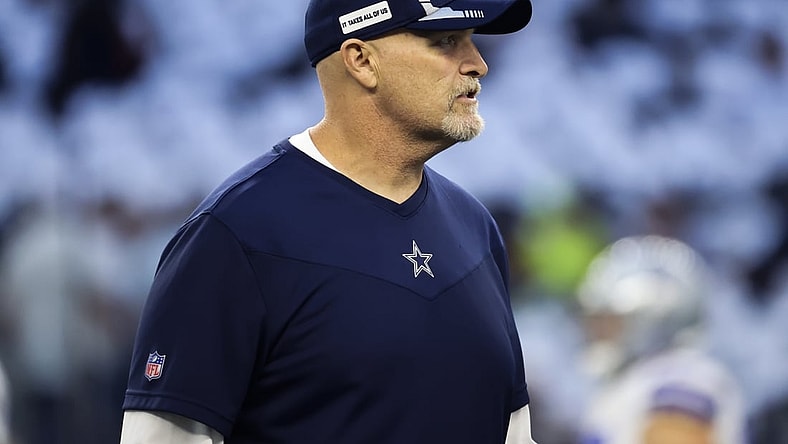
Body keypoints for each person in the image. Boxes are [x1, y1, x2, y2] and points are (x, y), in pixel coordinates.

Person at [120, 0, 537, 442]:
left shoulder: (475, 228)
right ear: (361, 60)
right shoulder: (236, 234)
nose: (478, 64)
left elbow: (513, 431)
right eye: (446, 41)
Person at [575, 235, 745, 444]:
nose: (600, 333)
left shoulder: (680, 383)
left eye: (612, 321)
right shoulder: (635, 381)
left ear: (654, 320)